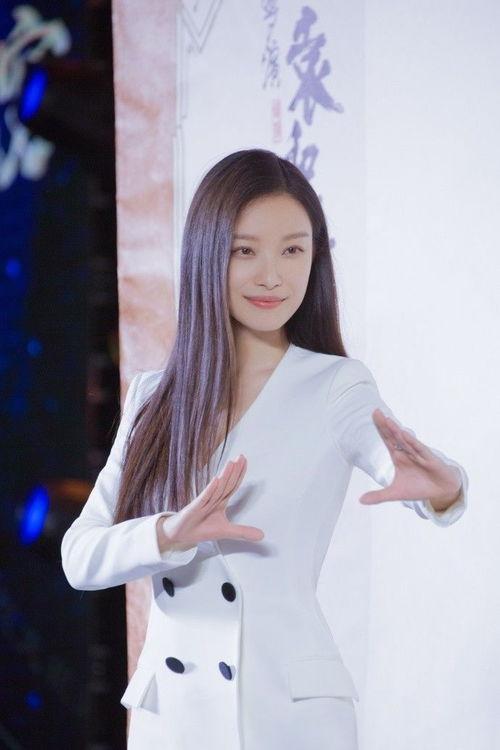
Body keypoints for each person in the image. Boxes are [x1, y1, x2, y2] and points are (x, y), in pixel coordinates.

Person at [60, 148, 468, 750]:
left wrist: (444, 489)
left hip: (288, 712)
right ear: (206, 255)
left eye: (293, 250)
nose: (273, 276)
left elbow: (400, 464)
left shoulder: (336, 385)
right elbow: (79, 557)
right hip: (174, 718)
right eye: (245, 251)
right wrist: (170, 533)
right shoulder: (152, 397)